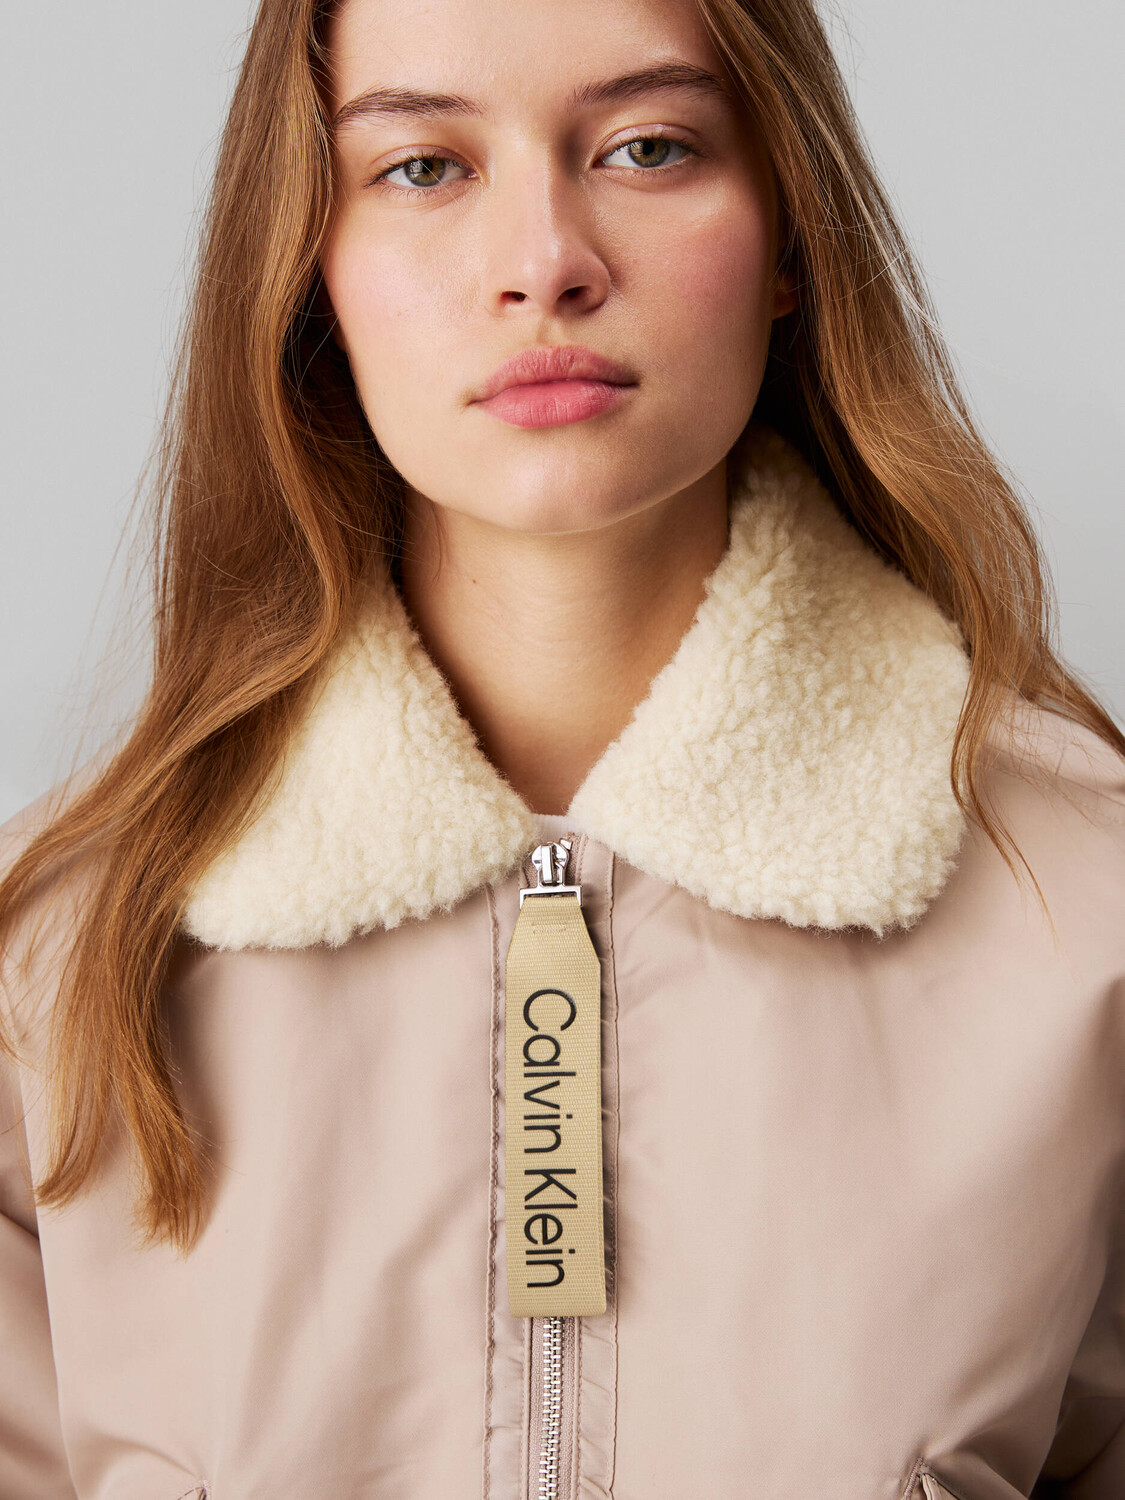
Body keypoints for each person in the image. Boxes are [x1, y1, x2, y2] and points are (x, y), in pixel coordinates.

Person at [1, 0, 1122, 1494]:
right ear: (306, 269)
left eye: (647, 148)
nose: (543, 262)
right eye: (421, 167)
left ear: (790, 234)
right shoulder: (52, 957)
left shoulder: (1090, 912)